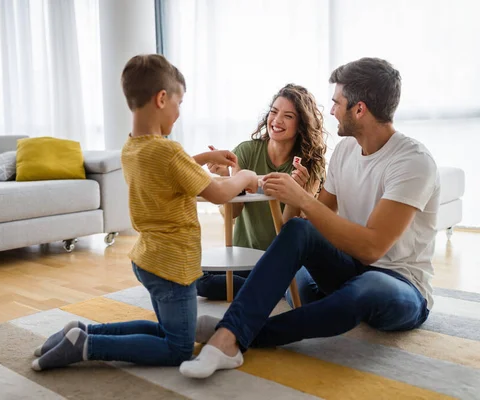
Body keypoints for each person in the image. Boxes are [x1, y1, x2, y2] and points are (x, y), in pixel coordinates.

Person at [180, 57, 440, 379]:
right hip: (347, 268)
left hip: (400, 284)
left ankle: (231, 334)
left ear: (359, 109)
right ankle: (234, 333)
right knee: (301, 237)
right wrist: (298, 203)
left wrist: (302, 197)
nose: (331, 111)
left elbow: (372, 248)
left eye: (337, 102)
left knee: (363, 288)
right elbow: (318, 219)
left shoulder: (412, 162)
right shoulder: (346, 151)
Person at [31, 54, 259, 371]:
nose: (179, 114)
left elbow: (164, 169)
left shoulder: (132, 147)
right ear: (162, 98)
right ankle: (88, 346)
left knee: (168, 333)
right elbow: (219, 193)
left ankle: (82, 331)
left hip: (149, 259)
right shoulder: (168, 151)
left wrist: (202, 157)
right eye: (179, 103)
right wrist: (246, 177)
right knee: (178, 348)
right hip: (173, 264)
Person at [197, 84, 327, 300]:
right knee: (199, 280)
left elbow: (288, 231)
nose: (276, 121)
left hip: (284, 259)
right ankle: (270, 289)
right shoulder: (246, 151)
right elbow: (234, 212)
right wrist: (229, 180)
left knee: (306, 294)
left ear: (301, 124)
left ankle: (267, 286)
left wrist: (298, 194)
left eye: (288, 116)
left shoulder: (310, 166)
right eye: (274, 112)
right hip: (245, 255)